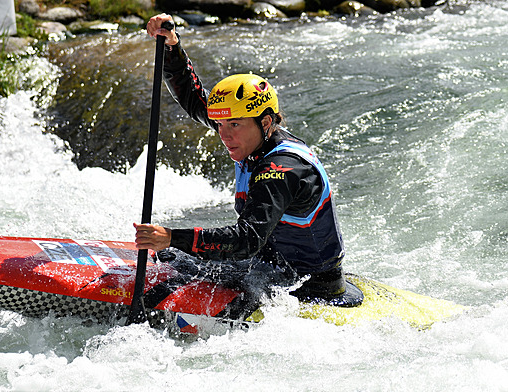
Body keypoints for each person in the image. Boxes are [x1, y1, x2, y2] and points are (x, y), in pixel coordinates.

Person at [135, 14, 363, 309]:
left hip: (308, 287)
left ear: (266, 121)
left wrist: (170, 236)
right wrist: (170, 47)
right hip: (270, 267)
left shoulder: (282, 171)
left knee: (174, 257)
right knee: (173, 259)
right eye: (220, 125)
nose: (225, 135)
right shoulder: (253, 136)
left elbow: (246, 240)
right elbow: (194, 99)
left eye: (235, 125)